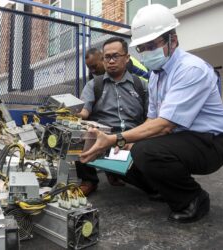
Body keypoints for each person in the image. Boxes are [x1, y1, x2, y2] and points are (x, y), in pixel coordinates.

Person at [80, 4, 223, 223]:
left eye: (151, 45)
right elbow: (152, 120)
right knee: (122, 155)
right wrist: (122, 144)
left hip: (210, 143)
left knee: (145, 150)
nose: (146, 52)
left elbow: (164, 125)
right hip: (179, 138)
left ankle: (193, 198)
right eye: (142, 47)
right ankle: (160, 187)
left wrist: (115, 138)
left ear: (172, 40)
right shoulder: (156, 75)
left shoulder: (190, 69)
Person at [76, 37, 148, 196]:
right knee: (76, 137)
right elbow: (84, 111)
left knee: (151, 188)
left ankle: (117, 172)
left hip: (132, 139)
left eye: (115, 56)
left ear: (127, 58)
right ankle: (89, 181)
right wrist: (74, 113)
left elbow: (151, 118)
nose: (111, 61)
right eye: (107, 57)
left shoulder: (140, 85)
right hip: (103, 139)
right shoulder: (94, 85)